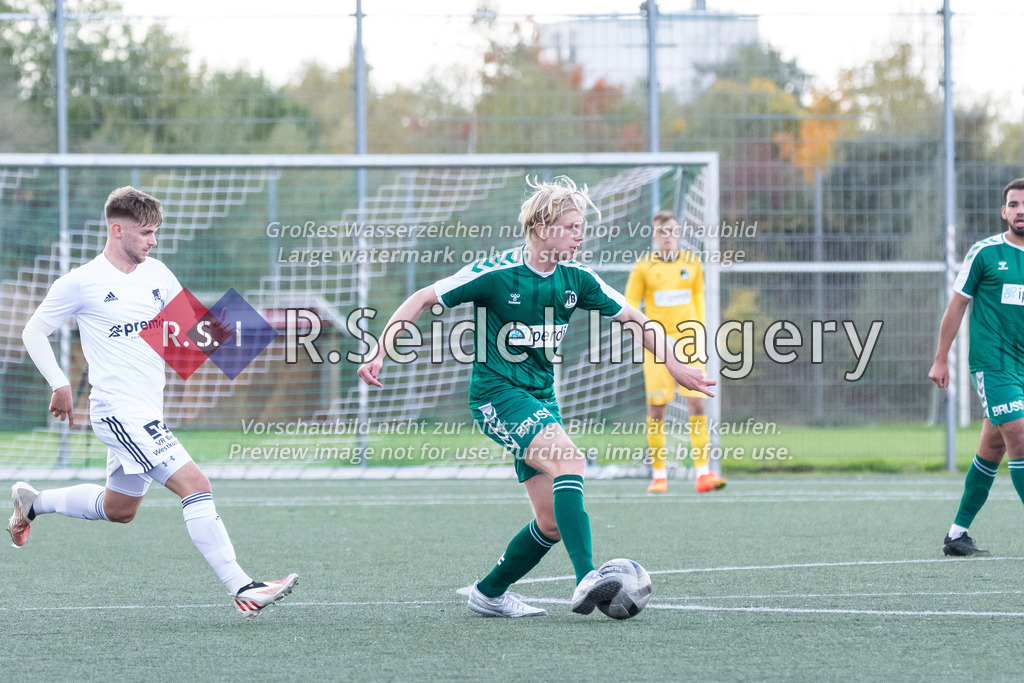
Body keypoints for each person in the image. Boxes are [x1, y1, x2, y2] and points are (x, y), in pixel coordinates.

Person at [357, 176, 715, 618]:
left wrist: (676, 364)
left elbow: (637, 320)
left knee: (550, 522)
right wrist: (379, 352)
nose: (580, 235)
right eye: (571, 226)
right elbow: (422, 298)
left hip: (541, 399)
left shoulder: (577, 279)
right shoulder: (496, 274)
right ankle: (587, 578)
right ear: (542, 229)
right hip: (496, 396)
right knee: (570, 461)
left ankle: (488, 594)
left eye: (581, 226)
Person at [9, 186, 297, 619]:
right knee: (195, 485)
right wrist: (59, 383)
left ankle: (33, 503)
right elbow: (33, 331)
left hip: (147, 410)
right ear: (117, 229)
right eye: (145, 232)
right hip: (117, 411)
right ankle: (243, 588)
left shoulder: (158, 274)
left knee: (119, 509)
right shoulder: (81, 282)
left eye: (155, 232)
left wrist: (243, 339)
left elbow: (192, 342)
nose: (153, 241)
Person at [929, 177, 1024, 557]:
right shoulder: (984, 254)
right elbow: (957, 306)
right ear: (1004, 211)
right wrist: (940, 358)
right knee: (1019, 433)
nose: (1021, 211)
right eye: (1014, 204)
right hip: (994, 365)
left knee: (992, 449)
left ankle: (956, 535)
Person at [624, 211, 725, 494]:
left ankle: (703, 474)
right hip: (657, 345)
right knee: (657, 410)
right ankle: (659, 476)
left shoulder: (692, 264)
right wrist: (641, 337)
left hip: (689, 344)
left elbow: (697, 300)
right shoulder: (643, 268)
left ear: (678, 233)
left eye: (672, 231)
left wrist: (700, 334)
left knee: (698, 404)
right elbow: (629, 306)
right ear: (655, 236)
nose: (667, 237)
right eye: (662, 232)